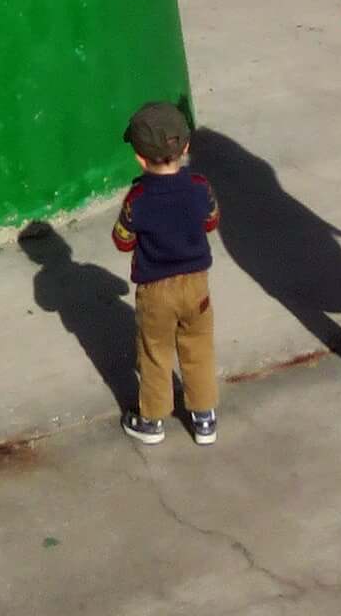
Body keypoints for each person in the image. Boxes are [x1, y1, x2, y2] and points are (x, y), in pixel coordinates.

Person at [112, 101, 220, 447]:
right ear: (186, 147)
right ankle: (204, 419)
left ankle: (152, 420)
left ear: (140, 158)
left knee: (155, 353)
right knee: (198, 347)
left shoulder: (138, 197)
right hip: (197, 284)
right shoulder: (200, 186)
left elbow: (122, 240)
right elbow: (211, 221)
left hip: (156, 289)